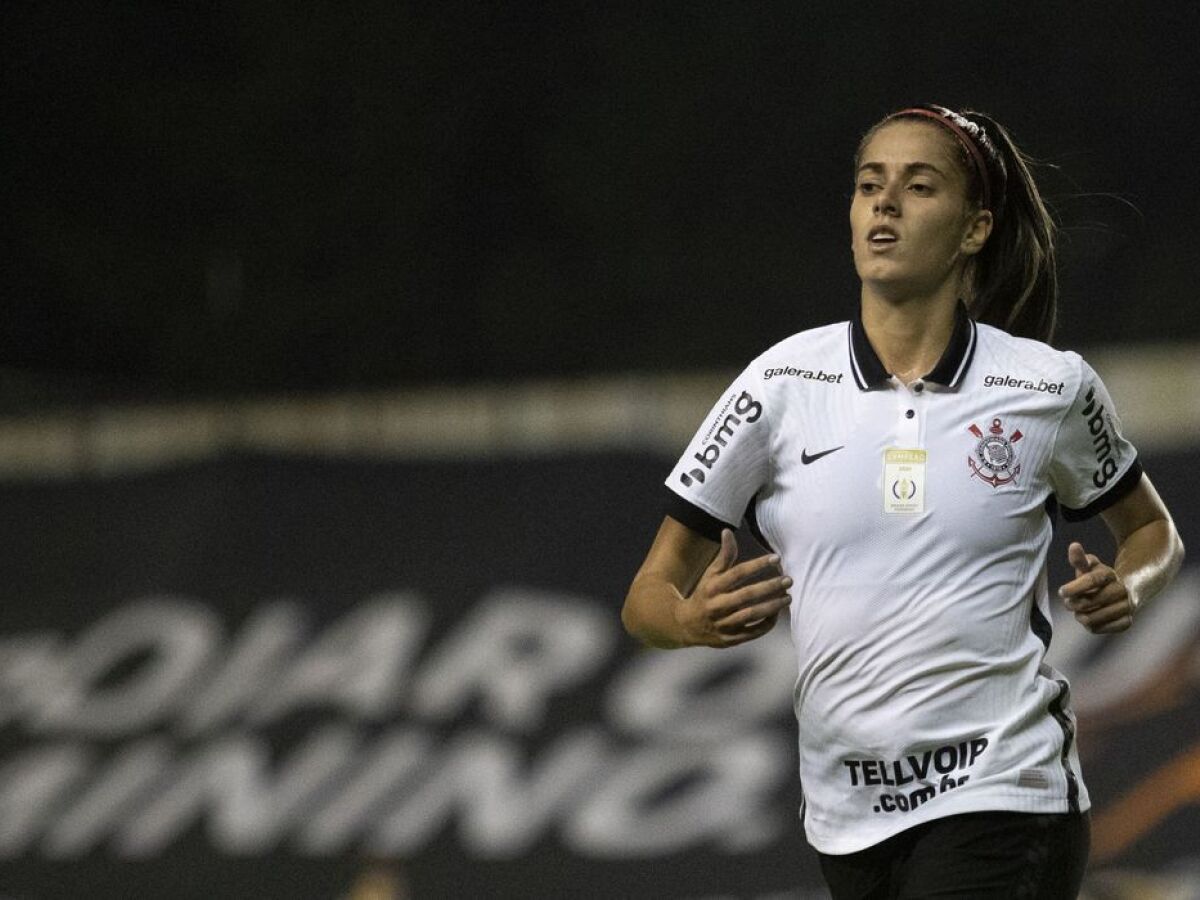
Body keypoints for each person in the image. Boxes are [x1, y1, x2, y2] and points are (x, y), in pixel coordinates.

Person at [621, 104, 1185, 899]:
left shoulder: (1047, 387)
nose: (884, 205)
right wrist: (686, 621)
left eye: (918, 187)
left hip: (1006, 793)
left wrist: (1130, 584)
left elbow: (1153, 532)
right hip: (848, 813)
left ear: (974, 229)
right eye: (868, 186)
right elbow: (645, 597)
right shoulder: (779, 384)